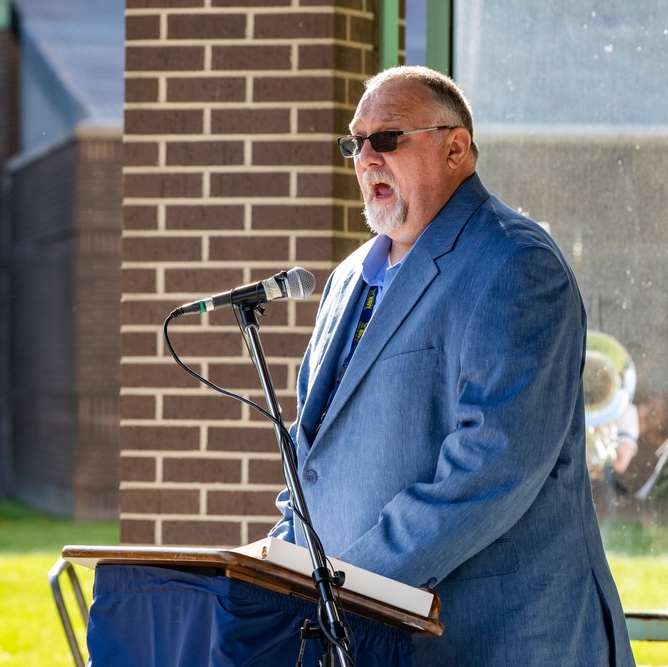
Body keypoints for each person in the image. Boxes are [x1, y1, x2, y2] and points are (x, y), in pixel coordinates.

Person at [269, 66, 634, 665]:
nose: (366, 158)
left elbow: (493, 464)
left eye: (387, 138)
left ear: (456, 147)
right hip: (364, 634)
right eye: (354, 143)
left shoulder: (516, 263)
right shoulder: (344, 280)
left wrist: (346, 584)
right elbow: (312, 463)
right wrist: (276, 569)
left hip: (498, 639)